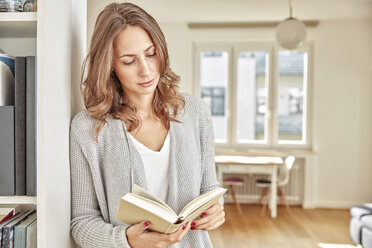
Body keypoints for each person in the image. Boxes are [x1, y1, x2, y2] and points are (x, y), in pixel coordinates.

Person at [70, 2, 225, 248]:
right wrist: (125, 240)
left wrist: (216, 212)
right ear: (110, 64)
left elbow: (209, 188)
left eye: (151, 54)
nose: (146, 70)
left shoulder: (195, 113)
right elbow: (82, 222)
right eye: (129, 61)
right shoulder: (88, 129)